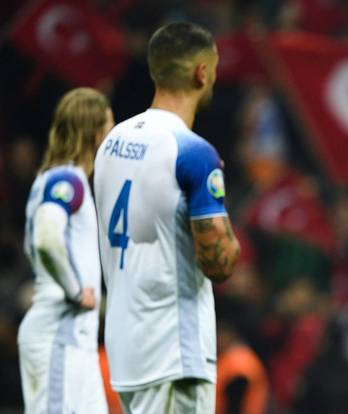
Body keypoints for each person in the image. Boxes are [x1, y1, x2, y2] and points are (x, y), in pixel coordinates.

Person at [94, 21, 240, 413]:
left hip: (125, 346)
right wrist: (222, 214)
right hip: (172, 350)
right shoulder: (194, 153)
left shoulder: (112, 141)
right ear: (202, 72)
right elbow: (220, 263)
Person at [18, 87, 114, 413]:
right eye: (109, 125)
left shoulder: (52, 179)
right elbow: (46, 238)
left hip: (75, 339)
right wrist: (75, 290)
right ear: (95, 132)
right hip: (58, 333)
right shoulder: (67, 180)